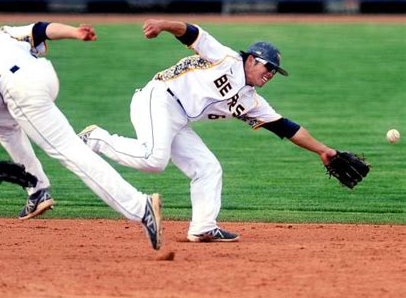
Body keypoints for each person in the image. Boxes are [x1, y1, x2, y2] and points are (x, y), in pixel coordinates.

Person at [79, 19, 338, 243]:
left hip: (178, 118)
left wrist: (324, 151)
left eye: (275, 71)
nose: (270, 73)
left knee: (208, 168)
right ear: (251, 59)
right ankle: (96, 138)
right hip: (158, 98)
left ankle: (203, 228)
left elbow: (285, 127)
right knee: (154, 160)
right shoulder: (226, 58)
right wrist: (162, 25)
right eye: (267, 66)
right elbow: (191, 32)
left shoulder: (252, 101)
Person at [0, 21, 162, 250]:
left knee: (70, 151)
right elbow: (40, 29)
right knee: (0, 121)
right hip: (44, 75)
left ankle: (140, 206)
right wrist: (75, 33)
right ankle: (37, 191)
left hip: (20, 90)